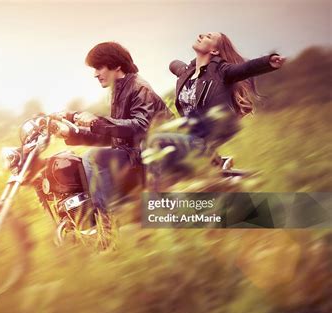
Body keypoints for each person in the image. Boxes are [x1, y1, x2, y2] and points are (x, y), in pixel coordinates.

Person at [144, 32, 286, 188]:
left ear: (214, 51)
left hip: (204, 140)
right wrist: (175, 65)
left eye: (208, 37)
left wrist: (268, 62)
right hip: (188, 137)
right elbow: (174, 65)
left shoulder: (221, 72)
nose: (201, 35)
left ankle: (156, 194)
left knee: (157, 140)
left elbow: (245, 68)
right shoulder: (187, 73)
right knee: (152, 148)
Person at [53, 42, 171, 213]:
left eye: (98, 67)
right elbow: (113, 134)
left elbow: (140, 126)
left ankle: (108, 222)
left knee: (93, 159)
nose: (95, 74)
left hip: (154, 154)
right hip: (135, 152)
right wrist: (70, 133)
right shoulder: (120, 90)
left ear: (116, 65)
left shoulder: (139, 87)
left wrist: (96, 122)